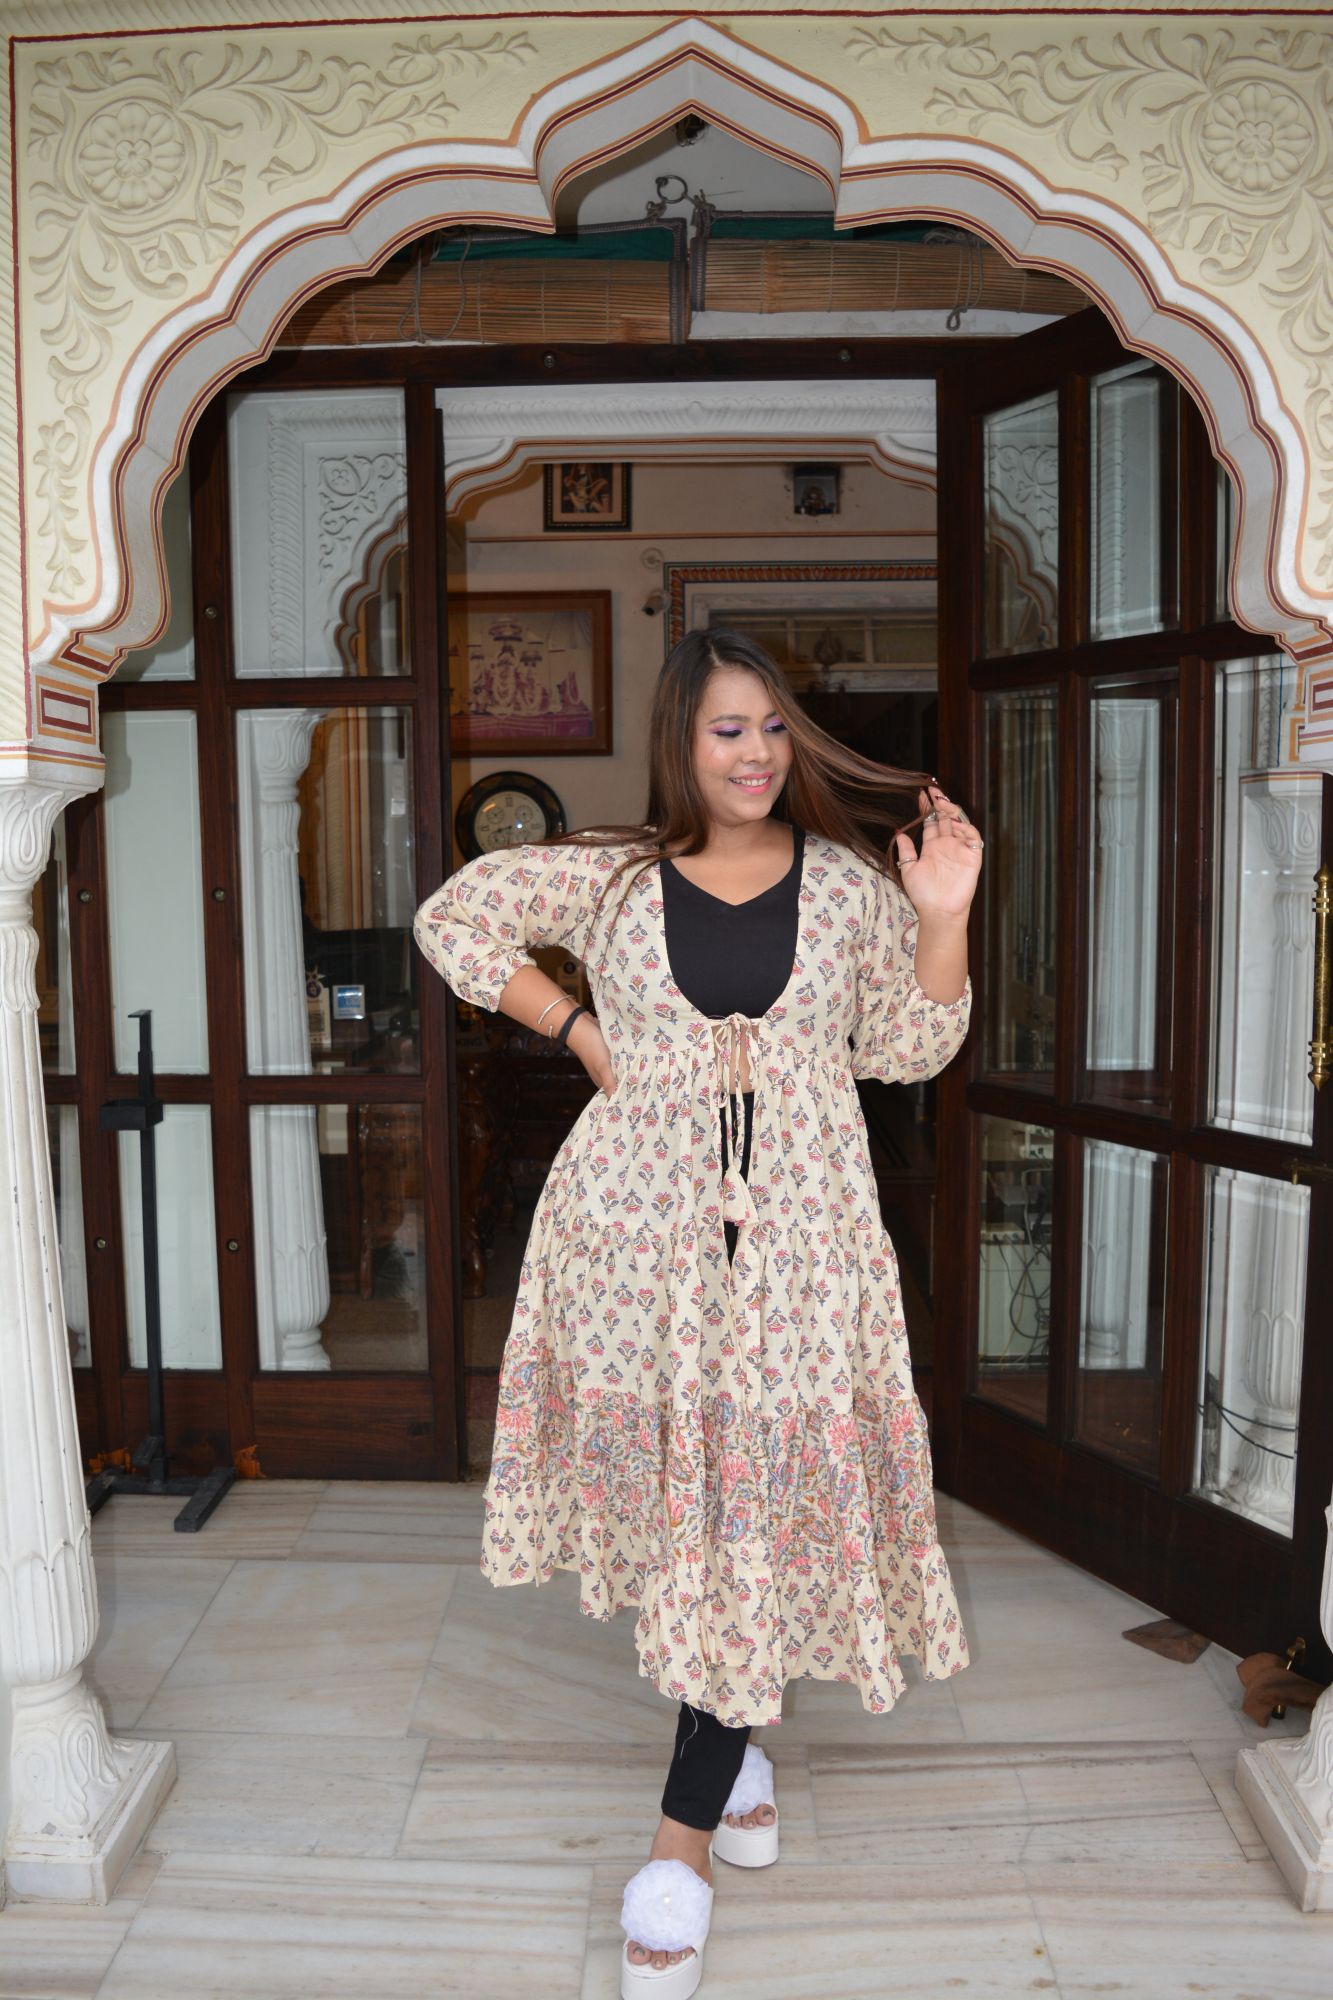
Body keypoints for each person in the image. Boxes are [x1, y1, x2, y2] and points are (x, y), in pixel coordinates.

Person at [414, 629, 982, 1997]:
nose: (754, 756)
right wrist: (580, 1030)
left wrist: (944, 912)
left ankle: (676, 1849)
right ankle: (735, 1767)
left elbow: (905, 1050)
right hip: (634, 1250)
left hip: (796, 1259)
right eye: (729, 730)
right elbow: (453, 920)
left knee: (741, 1524)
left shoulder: (850, 889)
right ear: (682, 739)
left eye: (774, 730)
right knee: (702, 1517)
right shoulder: (610, 878)